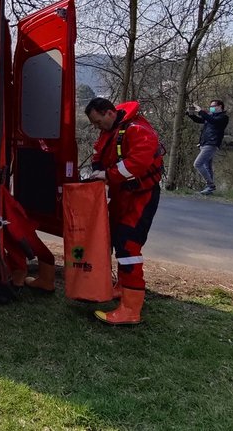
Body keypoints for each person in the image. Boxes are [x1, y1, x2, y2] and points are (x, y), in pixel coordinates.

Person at [84, 97, 164, 325]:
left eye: (98, 122)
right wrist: (98, 170)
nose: (97, 127)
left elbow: (137, 162)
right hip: (122, 196)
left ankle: (130, 309)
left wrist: (108, 175)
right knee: (118, 239)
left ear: (109, 113)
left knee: (129, 246)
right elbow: (99, 152)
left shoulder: (138, 130)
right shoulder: (111, 130)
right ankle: (122, 287)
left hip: (141, 196)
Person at [186, 99, 229, 195]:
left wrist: (201, 111)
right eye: (211, 106)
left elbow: (213, 121)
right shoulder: (210, 116)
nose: (211, 108)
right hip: (204, 143)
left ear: (220, 106)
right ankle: (209, 190)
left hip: (211, 144)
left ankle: (210, 185)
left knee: (197, 164)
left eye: (213, 106)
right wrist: (190, 114)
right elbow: (199, 120)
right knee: (207, 166)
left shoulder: (223, 117)